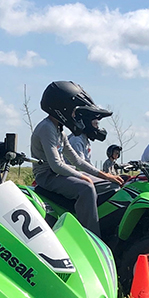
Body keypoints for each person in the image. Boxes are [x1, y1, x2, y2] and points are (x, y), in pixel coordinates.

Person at [31, 81, 123, 235]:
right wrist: (82, 177)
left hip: (58, 173)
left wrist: (104, 175)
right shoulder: (46, 128)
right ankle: (92, 236)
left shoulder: (59, 130)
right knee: (85, 188)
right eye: (74, 111)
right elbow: (56, 165)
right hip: (47, 176)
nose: (75, 115)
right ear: (62, 108)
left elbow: (77, 161)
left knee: (108, 185)